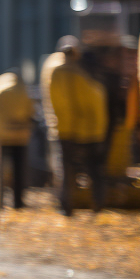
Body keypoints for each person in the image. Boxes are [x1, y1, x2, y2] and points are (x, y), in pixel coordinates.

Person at [42, 36, 110, 216]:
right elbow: (94, 100)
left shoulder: (52, 71)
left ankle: (66, 206)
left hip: (62, 128)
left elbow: (54, 102)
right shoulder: (80, 73)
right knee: (93, 169)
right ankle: (97, 205)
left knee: (65, 169)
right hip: (85, 130)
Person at [0, 69, 34, 209]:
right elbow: (31, 111)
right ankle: (18, 201)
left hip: (0, 134)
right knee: (19, 170)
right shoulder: (23, 91)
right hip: (20, 135)